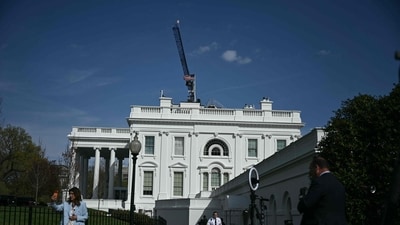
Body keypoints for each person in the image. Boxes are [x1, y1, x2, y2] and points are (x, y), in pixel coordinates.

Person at [297, 156, 347, 225]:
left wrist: (302, 197)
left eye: (311, 169)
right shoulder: (339, 184)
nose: (311, 172)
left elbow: (306, 204)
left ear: (317, 167)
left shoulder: (319, 183)